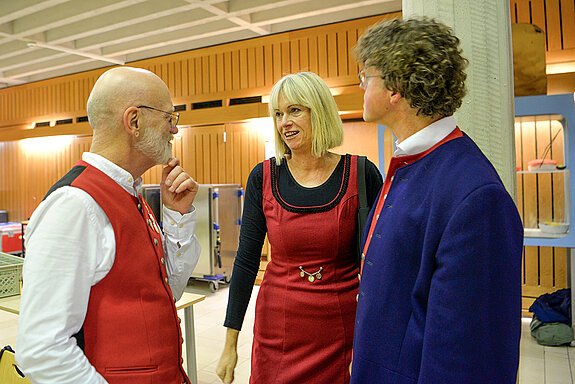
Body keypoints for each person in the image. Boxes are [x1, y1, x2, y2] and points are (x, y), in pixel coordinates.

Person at [350, 18, 524, 384]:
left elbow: (471, 358)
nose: (362, 87)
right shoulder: (414, 164)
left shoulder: (476, 196)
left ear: (395, 87)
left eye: (367, 77)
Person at [16, 66, 201, 384]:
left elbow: (166, 291)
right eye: (170, 118)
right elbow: (41, 350)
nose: (174, 130)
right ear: (134, 121)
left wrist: (176, 217)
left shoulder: (129, 192)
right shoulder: (75, 205)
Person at [216, 71, 383, 383]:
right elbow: (247, 260)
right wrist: (230, 343)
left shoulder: (361, 174)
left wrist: (372, 344)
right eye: (278, 114)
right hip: (277, 332)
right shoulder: (263, 177)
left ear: (318, 111)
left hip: (343, 332)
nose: (284, 123)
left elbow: (380, 265)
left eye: (295, 110)